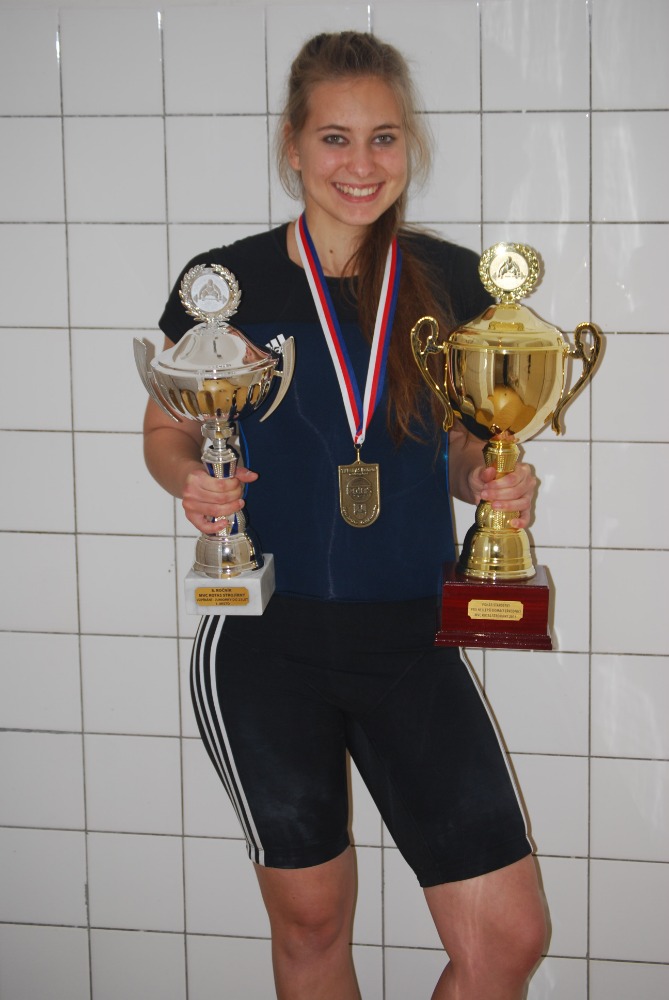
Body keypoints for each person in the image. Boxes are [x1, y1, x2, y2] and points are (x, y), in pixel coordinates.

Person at [144, 31, 547, 1000]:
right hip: (266, 646)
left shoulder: (451, 282)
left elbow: (462, 445)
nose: (360, 164)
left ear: (408, 145)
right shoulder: (227, 285)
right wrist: (193, 480)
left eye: (383, 138)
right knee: (313, 927)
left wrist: (491, 479)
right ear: (293, 146)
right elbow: (167, 430)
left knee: (507, 940)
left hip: (413, 638)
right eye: (335, 138)